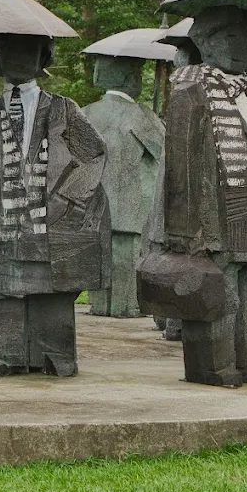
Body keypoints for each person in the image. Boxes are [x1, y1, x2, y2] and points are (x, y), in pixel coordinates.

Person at [153, 6, 247, 387]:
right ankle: (214, 365)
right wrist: (190, 230)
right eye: (232, 38)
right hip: (211, 218)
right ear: (204, 42)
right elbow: (180, 167)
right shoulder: (190, 92)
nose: (243, 47)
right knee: (218, 294)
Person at [0, 34, 109, 376]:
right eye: (10, 49)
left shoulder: (63, 109)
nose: (18, 57)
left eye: (28, 51)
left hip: (49, 220)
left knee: (51, 290)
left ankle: (54, 354)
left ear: (43, 58)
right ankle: (0, 355)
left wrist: (68, 198)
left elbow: (94, 155)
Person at [83, 56, 164, 319]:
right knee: (128, 258)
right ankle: (126, 306)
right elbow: (164, 152)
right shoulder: (140, 115)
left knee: (99, 256)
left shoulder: (85, 112)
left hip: (92, 201)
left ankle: (99, 306)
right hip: (131, 202)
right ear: (131, 79)